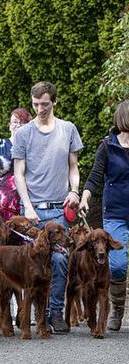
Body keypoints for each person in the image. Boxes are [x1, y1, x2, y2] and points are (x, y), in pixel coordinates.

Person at [12, 81, 82, 333]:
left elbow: (73, 166)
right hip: (33, 211)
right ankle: (33, 314)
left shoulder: (68, 129)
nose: (40, 108)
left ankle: (55, 312)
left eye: (44, 103)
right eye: (35, 104)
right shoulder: (23, 134)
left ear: (53, 102)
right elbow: (18, 173)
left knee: (61, 260)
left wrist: (74, 191)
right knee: (33, 263)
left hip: (59, 209)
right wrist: (27, 207)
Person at [79, 100, 129, 331]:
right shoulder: (108, 146)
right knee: (117, 265)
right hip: (116, 214)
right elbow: (95, 177)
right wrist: (84, 197)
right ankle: (117, 308)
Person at [0, 108, 31, 221]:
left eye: (22, 123)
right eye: (15, 122)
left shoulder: (34, 149)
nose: (18, 125)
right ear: (9, 125)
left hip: (24, 207)